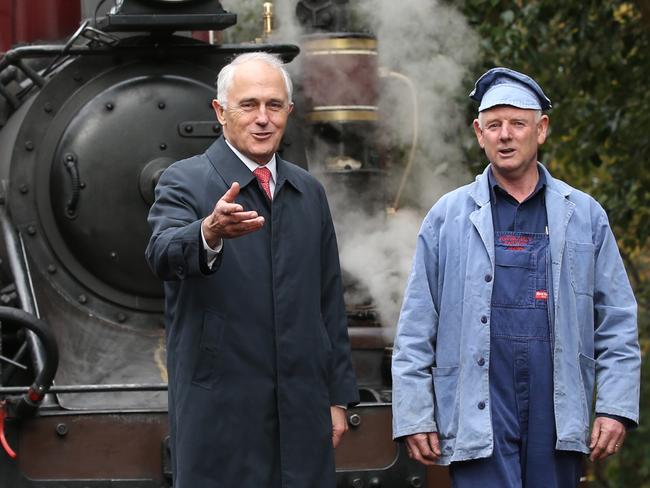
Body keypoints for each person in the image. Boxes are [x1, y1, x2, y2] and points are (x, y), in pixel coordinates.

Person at [391, 67, 640, 487]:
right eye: (494, 125)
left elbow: (616, 321)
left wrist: (614, 407)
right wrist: (415, 414)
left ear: (540, 129)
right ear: (478, 132)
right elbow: (416, 327)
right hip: (477, 408)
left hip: (557, 411)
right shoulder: (447, 218)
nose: (505, 134)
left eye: (517, 123)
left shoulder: (584, 216)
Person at [146, 52, 358, 488]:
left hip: (302, 410)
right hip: (219, 412)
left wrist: (338, 397)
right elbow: (161, 254)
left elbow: (329, 302)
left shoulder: (308, 192)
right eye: (249, 105)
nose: (263, 119)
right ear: (221, 112)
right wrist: (208, 232)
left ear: (289, 112)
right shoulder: (184, 181)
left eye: (274, 105)